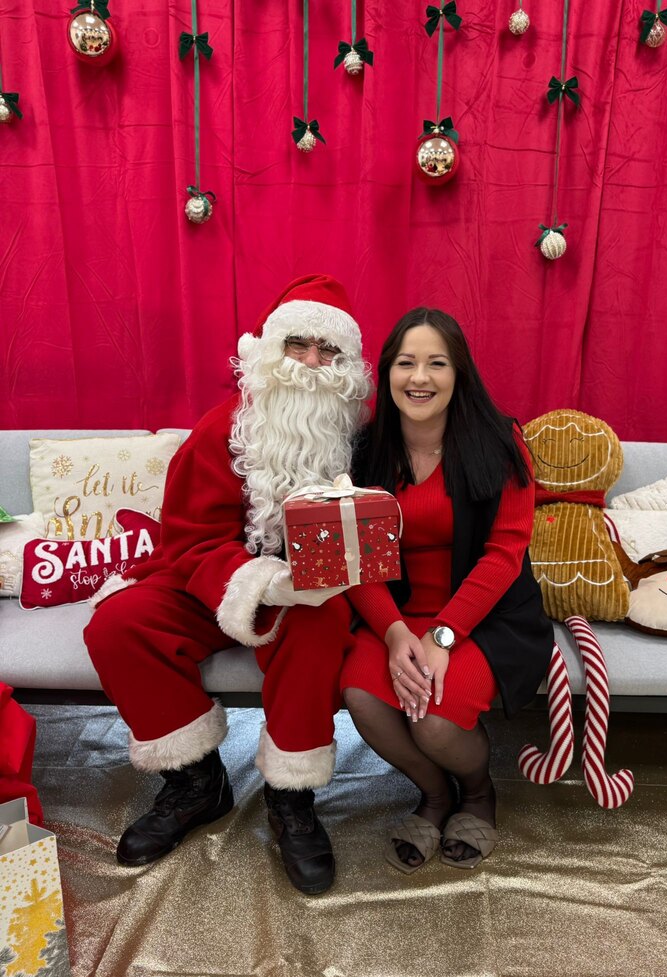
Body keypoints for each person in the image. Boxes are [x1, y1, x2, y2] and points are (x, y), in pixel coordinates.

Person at [84, 274, 372, 895]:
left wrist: (311, 581)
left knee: (318, 631)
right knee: (120, 624)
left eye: (328, 351)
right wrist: (261, 583)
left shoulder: (364, 439)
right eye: (297, 345)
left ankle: (291, 798)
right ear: (269, 350)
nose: (311, 363)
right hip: (214, 584)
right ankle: (195, 783)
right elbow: (189, 539)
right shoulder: (223, 429)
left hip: (315, 600)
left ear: (347, 367)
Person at [341, 308, 552, 872]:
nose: (420, 377)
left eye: (437, 363)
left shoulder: (500, 441)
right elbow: (357, 561)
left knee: (432, 721)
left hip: (485, 616)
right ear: (386, 373)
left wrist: (442, 636)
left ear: (459, 373)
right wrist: (393, 634)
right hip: (395, 614)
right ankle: (435, 795)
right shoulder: (364, 451)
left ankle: (478, 792)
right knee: (362, 695)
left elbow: (504, 554)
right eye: (405, 363)